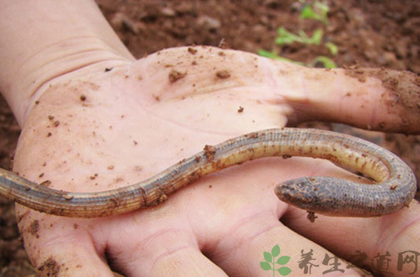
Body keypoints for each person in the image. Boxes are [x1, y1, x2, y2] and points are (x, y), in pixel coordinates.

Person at [1, 1, 419, 276]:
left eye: (304, 198)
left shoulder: (382, 192)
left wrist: (67, 66)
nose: (293, 192)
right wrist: (65, 74)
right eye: (305, 193)